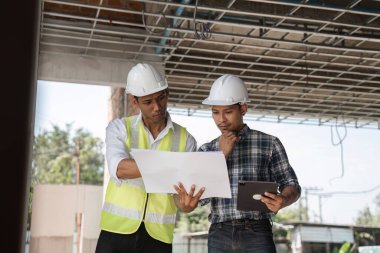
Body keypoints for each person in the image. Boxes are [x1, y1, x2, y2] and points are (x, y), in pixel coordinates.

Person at [176, 74, 301, 253]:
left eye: (228, 112)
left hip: (257, 231)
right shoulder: (206, 150)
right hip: (220, 233)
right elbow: (199, 197)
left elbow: (291, 185)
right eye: (215, 112)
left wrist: (283, 199)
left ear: (243, 108)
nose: (221, 120)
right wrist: (221, 155)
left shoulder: (269, 144)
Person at [95, 63, 204, 253]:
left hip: (158, 237)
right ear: (134, 102)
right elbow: (120, 168)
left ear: (167, 92)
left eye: (161, 98)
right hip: (115, 233)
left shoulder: (186, 140)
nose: (157, 107)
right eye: (148, 102)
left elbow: (179, 197)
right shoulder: (119, 129)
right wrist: (171, 163)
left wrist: (186, 205)